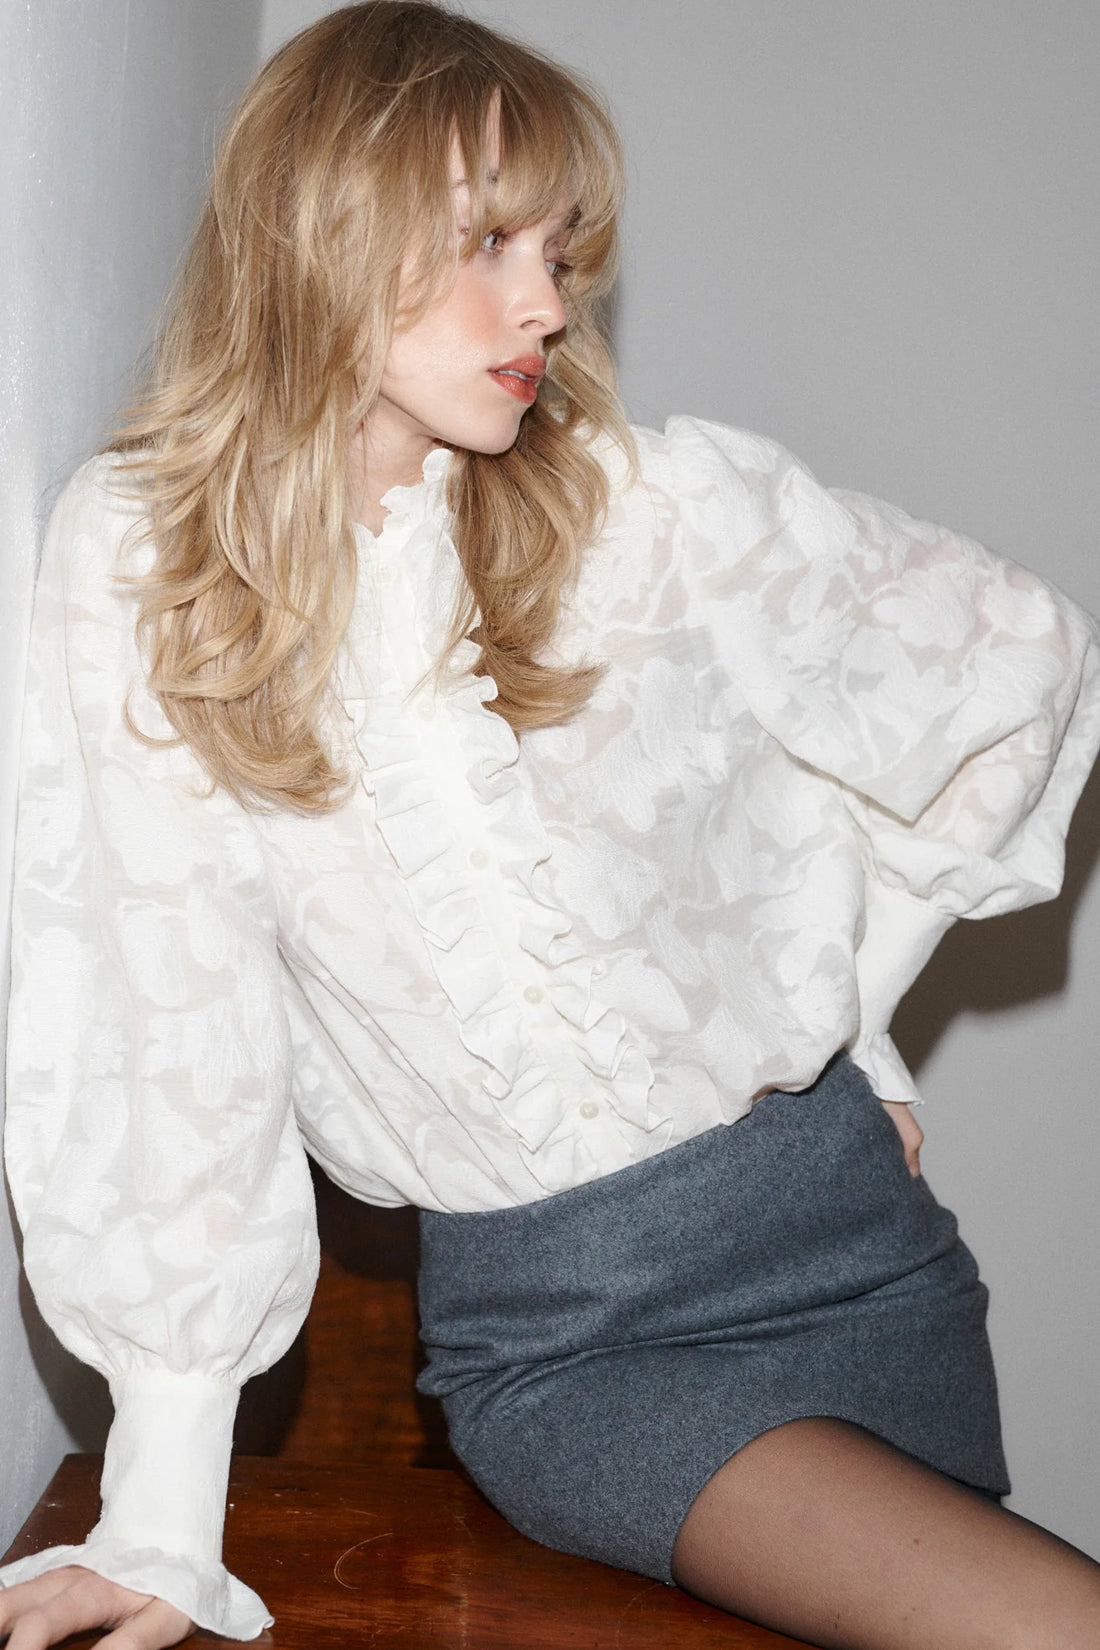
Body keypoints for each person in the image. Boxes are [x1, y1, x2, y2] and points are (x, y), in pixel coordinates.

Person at [1, 4, 1099, 1646]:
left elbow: (1012, 663)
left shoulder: (646, 507)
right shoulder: (151, 563)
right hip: (574, 1343)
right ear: (324, 226)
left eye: (562, 251)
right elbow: (162, 1021)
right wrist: (161, 1514)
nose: (547, 304)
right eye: (488, 241)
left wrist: (856, 1012)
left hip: (855, 1251)